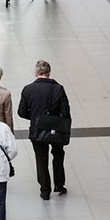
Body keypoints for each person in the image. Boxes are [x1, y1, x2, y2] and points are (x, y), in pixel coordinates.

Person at [17, 60, 71, 201]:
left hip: (37, 130)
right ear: (49, 73)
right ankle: (59, 184)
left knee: (41, 159)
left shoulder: (28, 89)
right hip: (56, 130)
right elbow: (65, 112)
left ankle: (45, 190)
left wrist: (36, 119)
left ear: (36, 73)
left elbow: (21, 112)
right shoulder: (59, 89)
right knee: (58, 155)